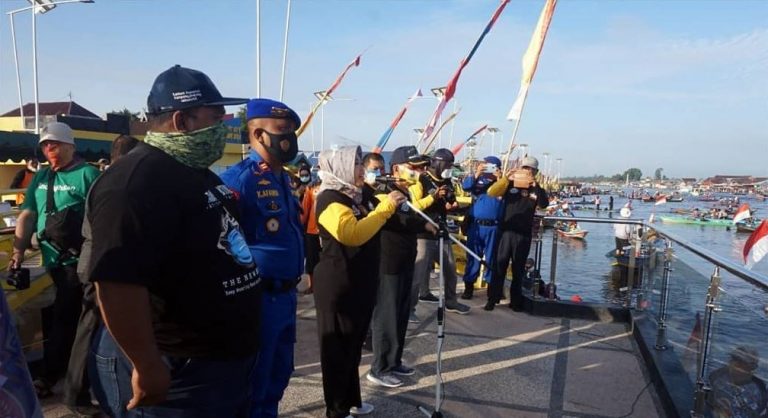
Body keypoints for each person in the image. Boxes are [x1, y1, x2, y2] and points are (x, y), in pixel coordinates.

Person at [85, 65, 260, 417]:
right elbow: (116, 283)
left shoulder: (195, 171)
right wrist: (147, 364)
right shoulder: (134, 183)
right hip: (180, 369)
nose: (225, 124)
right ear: (182, 121)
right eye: (215, 116)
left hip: (220, 363)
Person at [220, 98, 304, 418]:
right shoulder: (239, 179)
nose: (289, 138)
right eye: (281, 131)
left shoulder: (281, 177)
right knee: (255, 380)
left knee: (280, 375)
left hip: (286, 295)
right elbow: (222, 242)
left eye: (292, 132)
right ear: (257, 136)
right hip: (260, 298)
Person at [313, 146, 405, 418]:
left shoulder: (356, 194)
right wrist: (386, 208)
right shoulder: (329, 199)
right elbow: (350, 233)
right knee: (337, 351)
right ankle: (336, 410)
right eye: (355, 164)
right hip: (337, 283)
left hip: (360, 281)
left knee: (353, 347)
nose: (362, 169)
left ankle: (351, 399)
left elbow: (382, 205)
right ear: (339, 167)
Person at [9, 121, 100, 398]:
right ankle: (64, 376)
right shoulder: (41, 177)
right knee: (57, 320)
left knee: (69, 321)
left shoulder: (88, 175)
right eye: (45, 145)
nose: (50, 149)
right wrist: (18, 251)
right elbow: (27, 215)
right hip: (50, 263)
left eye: (55, 144)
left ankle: (65, 380)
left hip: (78, 264)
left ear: (70, 145)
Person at [62, 133, 139, 412]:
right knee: (91, 331)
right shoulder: (115, 183)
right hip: (99, 266)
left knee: (94, 329)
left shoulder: (103, 179)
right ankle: (77, 395)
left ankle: (83, 391)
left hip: (92, 263)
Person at [365, 147, 436, 389]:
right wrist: (422, 225)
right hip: (388, 262)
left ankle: (394, 361)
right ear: (396, 168)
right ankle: (379, 367)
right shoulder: (384, 192)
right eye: (414, 167)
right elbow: (395, 219)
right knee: (386, 316)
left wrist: (427, 225)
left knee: (401, 313)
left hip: (406, 259)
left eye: (421, 167)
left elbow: (410, 218)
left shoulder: (404, 192)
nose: (419, 171)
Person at [410, 148, 470, 315]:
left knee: (450, 268)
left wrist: (451, 201)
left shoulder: (447, 180)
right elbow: (415, 207)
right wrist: (434, 197)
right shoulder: (421, 179)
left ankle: (451, 301)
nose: (449, 168)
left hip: (441, 230)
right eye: (447, 164)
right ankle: (409, 308)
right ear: (438, 163)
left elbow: (450, 202)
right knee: (418, 271)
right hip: (423, 232)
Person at [485, 156, 548, 311]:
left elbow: (544, 204)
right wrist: (506, 178)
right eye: (525, 168)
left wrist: (536, 186)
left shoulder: (536, 189)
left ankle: (516, 302)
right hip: (506, 231)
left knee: (518, 270)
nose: (527, 171)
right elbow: (492, 192)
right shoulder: (510, 184)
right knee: (499, 266)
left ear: (535, 172)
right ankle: (492, 299)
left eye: (530, 169)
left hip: (523, 234)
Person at [460, 156, 502, 299]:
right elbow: (465, 186)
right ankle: (468, 287)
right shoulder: (478, 180)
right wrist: (477, 173)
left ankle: (492, 290)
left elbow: (507, 194)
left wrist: (500, 179)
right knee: (472, 257)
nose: (485, 167)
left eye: (488, 165)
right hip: (476, 226)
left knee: (492, 259)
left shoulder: (502, 183)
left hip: (494, 227)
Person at [708, 346, 767, 418]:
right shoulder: (717, 377)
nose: (733, 363)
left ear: (751, 367)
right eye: (733, 359)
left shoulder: (759, 390)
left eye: (739, 362)